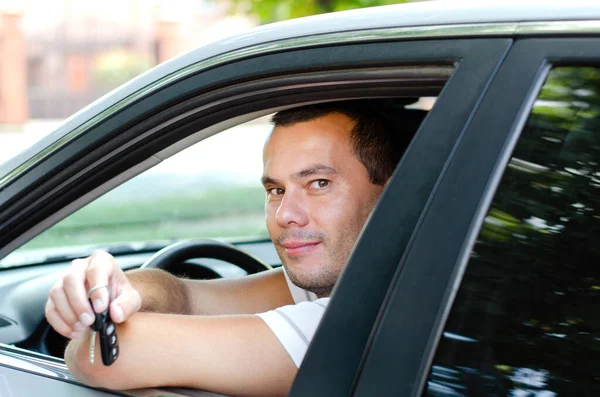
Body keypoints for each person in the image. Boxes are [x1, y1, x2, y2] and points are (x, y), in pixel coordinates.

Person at [45, 100, 420, 396]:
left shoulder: (362, 323)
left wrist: (90, 323)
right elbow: (187, 298)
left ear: (391, 196)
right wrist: (117, 291)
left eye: (319, 183)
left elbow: (105, 357)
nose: (286, 214)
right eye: (276, 190)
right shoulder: (362, 281)